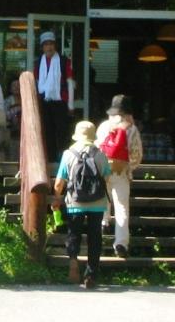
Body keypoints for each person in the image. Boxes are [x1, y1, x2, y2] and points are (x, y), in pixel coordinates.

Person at [54, 120, 110, 288]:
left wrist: (57, 198)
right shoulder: (100, 154)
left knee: (74, 233)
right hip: (97, 201)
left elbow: (59, 183)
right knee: (95, 236)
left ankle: (73, 263)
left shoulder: (68, 154)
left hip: (75, 201)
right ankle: (91, 273)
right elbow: (107, 178)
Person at [95, 94, 143, 258]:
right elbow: (137, 153)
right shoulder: (131, 129)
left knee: (103, 199)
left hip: (103, 169)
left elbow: (97, 147)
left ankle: (104, 223)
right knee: (122, 207)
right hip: (121, 171)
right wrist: (129, 168)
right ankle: (121, 243)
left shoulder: (104, 126)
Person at [36, 31, 73, 158]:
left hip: (60, 101)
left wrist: (71, 105)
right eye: (46, 44)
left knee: (62, 131)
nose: (49, 47)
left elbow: (70, 82)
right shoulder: (38, 62)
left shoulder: (64, 61)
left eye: (51, 44)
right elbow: (37, 82)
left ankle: (63, 158)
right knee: (47, 131)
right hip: (44, 101)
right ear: (42, 47)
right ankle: (50, 158)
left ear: (55, 45)